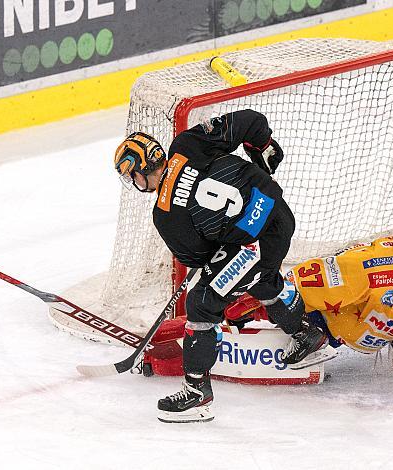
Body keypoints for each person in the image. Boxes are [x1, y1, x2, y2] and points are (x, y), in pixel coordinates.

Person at [113, 109, 333, 423]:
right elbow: (250, 122)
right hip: (279, 213)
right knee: (256, 277)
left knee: (202, 302)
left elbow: (200, 258)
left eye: (128, 175)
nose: (131, 181)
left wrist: (216, 260)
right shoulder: (187, 143)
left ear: (138, 168)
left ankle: (196, 392)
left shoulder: (164, 213)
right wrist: (264, 148)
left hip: (254, 243)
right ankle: (305, 334)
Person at [226, 211, 393, 405]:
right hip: (337, 323)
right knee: (282, 309)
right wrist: (266, 298)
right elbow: (312, 279)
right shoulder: (372, 264)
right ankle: (309, 332)